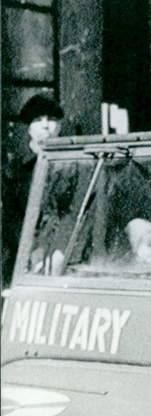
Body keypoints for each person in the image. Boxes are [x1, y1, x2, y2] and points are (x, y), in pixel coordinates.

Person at [2, 94, 63, 288]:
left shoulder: (75, 167)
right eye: (38, 120)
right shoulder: (16, 173)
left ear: (59, 125)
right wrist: (30, 248)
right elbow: (12, 221)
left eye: (51, 119)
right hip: (25, 258)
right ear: (29, 128)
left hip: (60, 254)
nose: (46, 125)